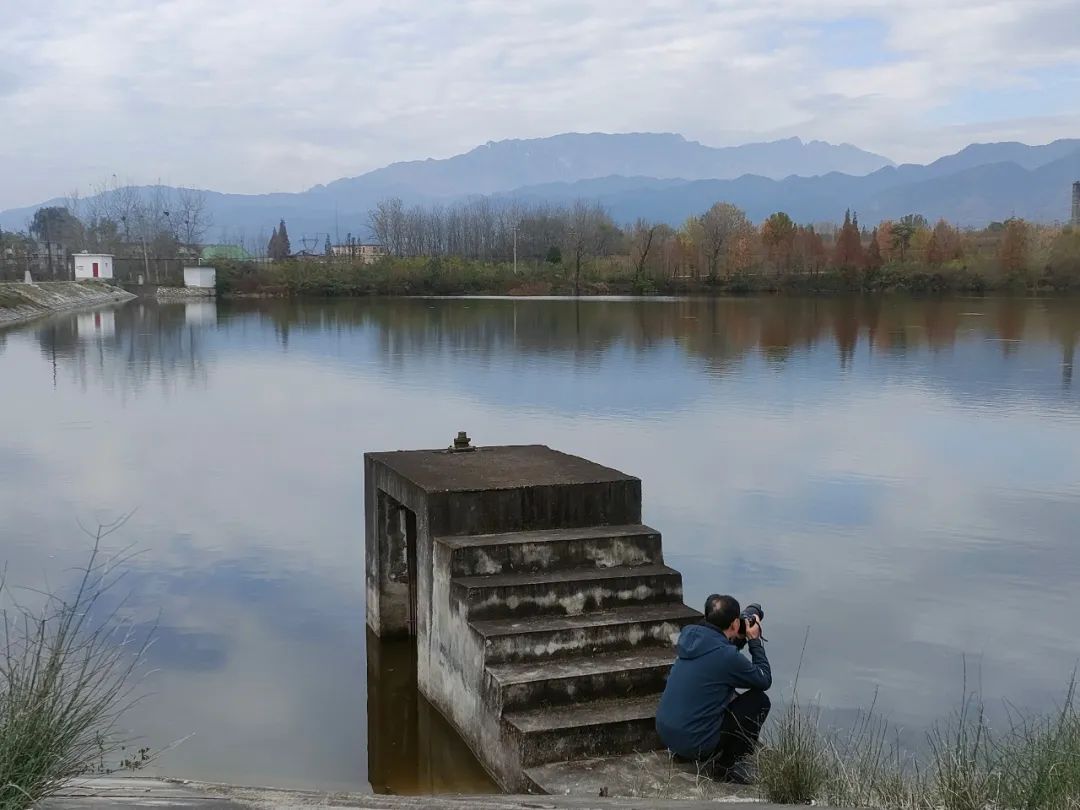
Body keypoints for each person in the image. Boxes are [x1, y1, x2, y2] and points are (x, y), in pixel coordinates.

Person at [655, 594, 772, 783]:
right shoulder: (725, 656)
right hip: (697, 744)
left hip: (668, 735)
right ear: (735, 624)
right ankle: (726, 767)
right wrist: (754, 640)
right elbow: (764, 679)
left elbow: (720, 654)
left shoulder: (690, 638)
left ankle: (684, 753)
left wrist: (737, 637)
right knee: (759, 700)